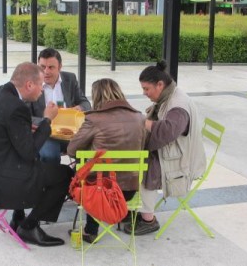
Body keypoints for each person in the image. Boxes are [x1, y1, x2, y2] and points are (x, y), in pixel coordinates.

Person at [0, 62, 74, 246]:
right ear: (29, 85)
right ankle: (29, 226)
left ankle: (18, 216)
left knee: (38, 165)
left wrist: (24, 128)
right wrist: (47, 119)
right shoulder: (16, 106)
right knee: (64, 174)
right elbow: (29, 152)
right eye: (40, 86)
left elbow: (2, 128)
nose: (41, 91)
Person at [123, 60, 206, 236]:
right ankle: (134, 206)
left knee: (145, 163)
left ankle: (148, 219)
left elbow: (168, 131)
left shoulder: (178, 105)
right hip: (174, 151)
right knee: (138, 154)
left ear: (160, 85)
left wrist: (143, 124)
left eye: (147, 89)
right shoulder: (169, 95)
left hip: (182, 159)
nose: (144, 93)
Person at [66, 78, 147, 243]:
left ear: (96, 96)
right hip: (130, 189)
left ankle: (91, 231)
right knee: (103, 174)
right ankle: (121, 214)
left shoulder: (94, 119)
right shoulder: (139, 117)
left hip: (99, 191)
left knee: (88, 173)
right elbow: (142, 146)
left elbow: (71, 150)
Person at [29, 48, 91, 164]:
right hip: (47, 134)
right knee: (49, 155)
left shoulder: (70, 79)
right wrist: (46, 120)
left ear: (60, 67)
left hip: (71, 133)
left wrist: (80, 108)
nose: (46, 71)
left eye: (51, 67)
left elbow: (86, 104)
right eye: (42, 67)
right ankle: (54, 181)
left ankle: (77, 179)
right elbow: (26, 117)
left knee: (89, 151)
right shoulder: (31, 84)